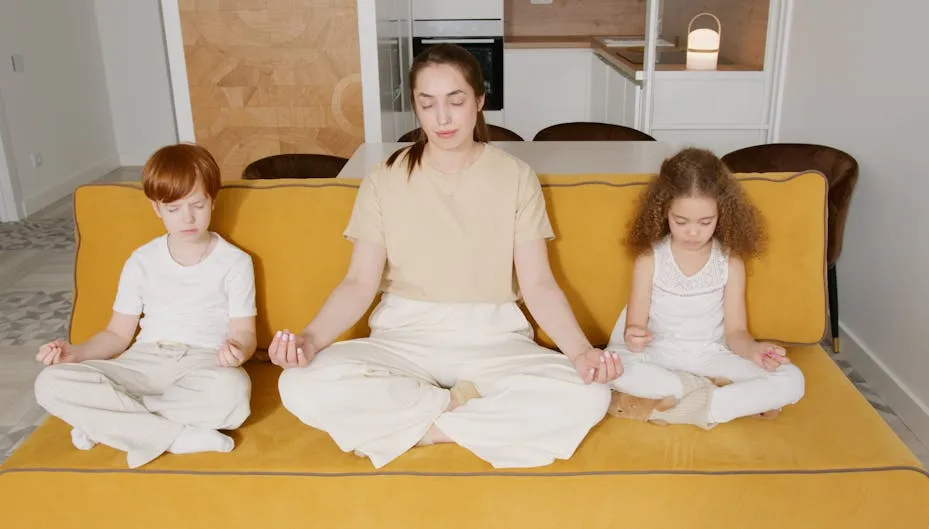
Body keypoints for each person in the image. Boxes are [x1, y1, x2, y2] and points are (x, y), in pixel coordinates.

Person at [270, 44, 616, 469]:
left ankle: (422, 428)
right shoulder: (385, 179)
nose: (443, 118)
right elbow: (359, 283)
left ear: (479, 101)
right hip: (404, 336)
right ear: (415, 107)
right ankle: (462, 415)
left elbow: (538, 284)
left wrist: (582, 353)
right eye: (427, 104)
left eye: (456, 101)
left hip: (493, 337)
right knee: (297, 384)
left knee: (590, 393)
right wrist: (310, 339)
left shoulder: (516, 177)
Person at [33, 143, 257, 469]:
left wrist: (239, 350)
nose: (188, 218)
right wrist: (75, 354)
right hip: (141, 363)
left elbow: (244, 333)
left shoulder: (236, 262)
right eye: (173, 209)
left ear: (213, 200)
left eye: (197, 205)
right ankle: (178, 438)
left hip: (202, 363)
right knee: (50, 383)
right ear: (156, 209)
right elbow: (116, 334)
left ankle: (111, 421)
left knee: (234, 391)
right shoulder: (141, 261)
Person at [605, 147, 805, 428]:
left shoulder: (730, 264)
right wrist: (634, 335)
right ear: (663, 212)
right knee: (611, 367)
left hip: (710, 356)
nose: (692, 232)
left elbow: (736, 333)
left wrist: (754, 351)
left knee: (792, 379)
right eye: (681, 221)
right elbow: (633, 329)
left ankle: (688, 404)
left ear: (722, 214)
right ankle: (711, 397)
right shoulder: (649, 260)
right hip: (659, 355)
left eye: (705, 222)